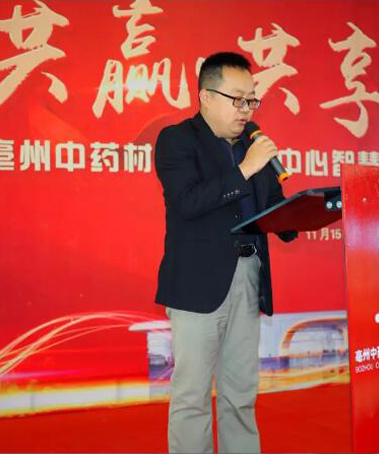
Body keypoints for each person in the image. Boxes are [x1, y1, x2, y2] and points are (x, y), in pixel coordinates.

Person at [154, 51, 297, 453]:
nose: (247, 109)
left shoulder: (252, 144)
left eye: (252, 99)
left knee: (240, 391)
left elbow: (272, 207)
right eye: (238, 99)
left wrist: (304, 215)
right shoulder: (177, 140)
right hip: (197, 283)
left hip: (248, 275)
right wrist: (246, 168)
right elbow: (187, 202)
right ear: (206, 96)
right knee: (192, 395)